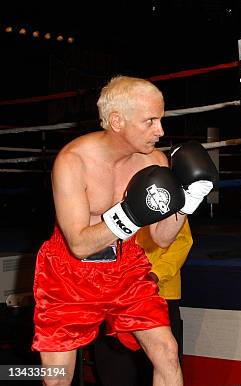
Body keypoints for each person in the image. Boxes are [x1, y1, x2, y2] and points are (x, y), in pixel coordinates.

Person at [32, 75, 217, 386]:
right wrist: (130, 214)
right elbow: (78, 244)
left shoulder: (154, 161)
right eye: (150, 121)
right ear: (117, 120)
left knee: (167, 351)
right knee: (57, 377)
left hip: (127, 268)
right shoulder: (73, 161)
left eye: (161, 119)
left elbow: (160, 238)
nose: (160, 130)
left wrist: (187, 203)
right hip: (68, 274)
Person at [94, 219, 193, 385]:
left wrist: (155, 275)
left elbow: (182, 241)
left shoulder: (162, 193)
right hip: (113, 295)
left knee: (164, 364)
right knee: (115, 371)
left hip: (160, 294)